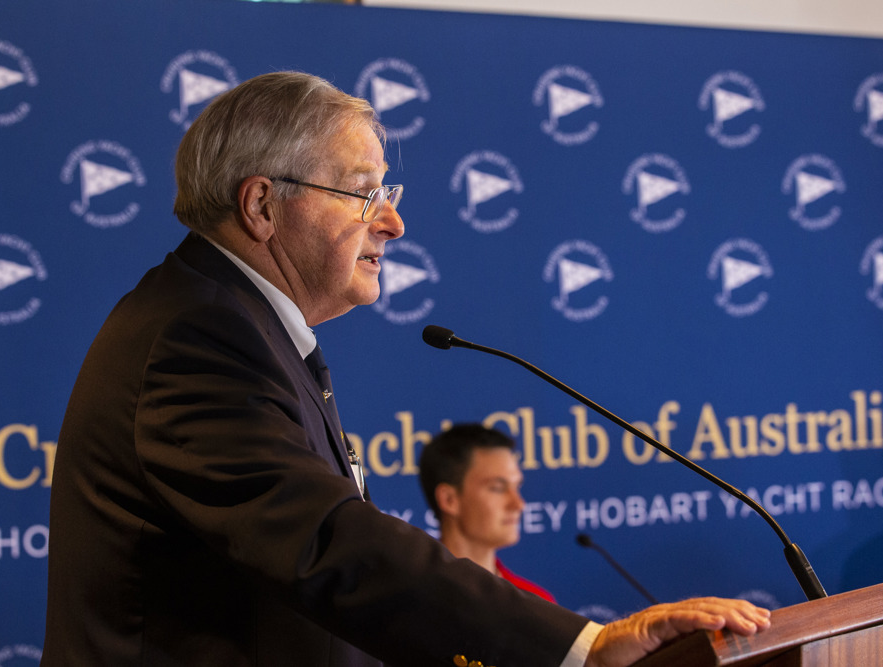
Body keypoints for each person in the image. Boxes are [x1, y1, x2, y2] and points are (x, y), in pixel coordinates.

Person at [42, 70, 770, 667]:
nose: (391, 222)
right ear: (263, 203)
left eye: (386, 194)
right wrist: (582, 645)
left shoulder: (235, 322)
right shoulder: (196, 335)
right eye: (364, 193)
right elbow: (326, 544)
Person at [419, 424, 555, 602]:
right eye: (497, 488)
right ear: (449, 499)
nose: (518, 504)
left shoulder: (538, 604)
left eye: (517, 487)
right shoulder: (411, 598)